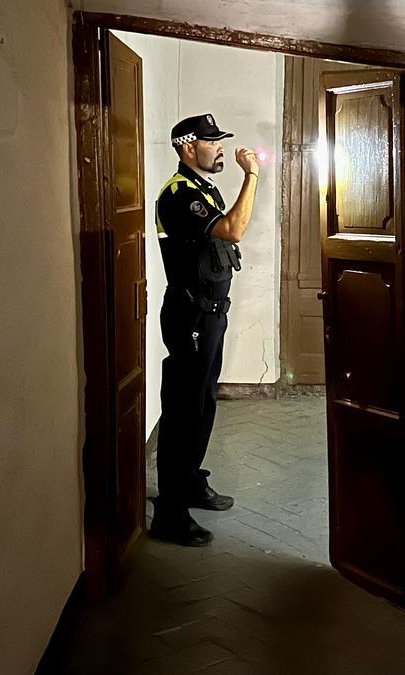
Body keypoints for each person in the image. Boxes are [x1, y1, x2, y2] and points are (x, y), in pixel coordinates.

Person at [150, 113, 259, 547]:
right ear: (186, 146)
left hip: (211, 314)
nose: (219, 148)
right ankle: (170, 513)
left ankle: (192, 482)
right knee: (182, 412)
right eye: (211, 141)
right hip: (190, 317)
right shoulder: (179, 195)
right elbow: (233, 230)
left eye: (220, 141)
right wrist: (251, 175)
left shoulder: (204, 190)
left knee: (204, 404)